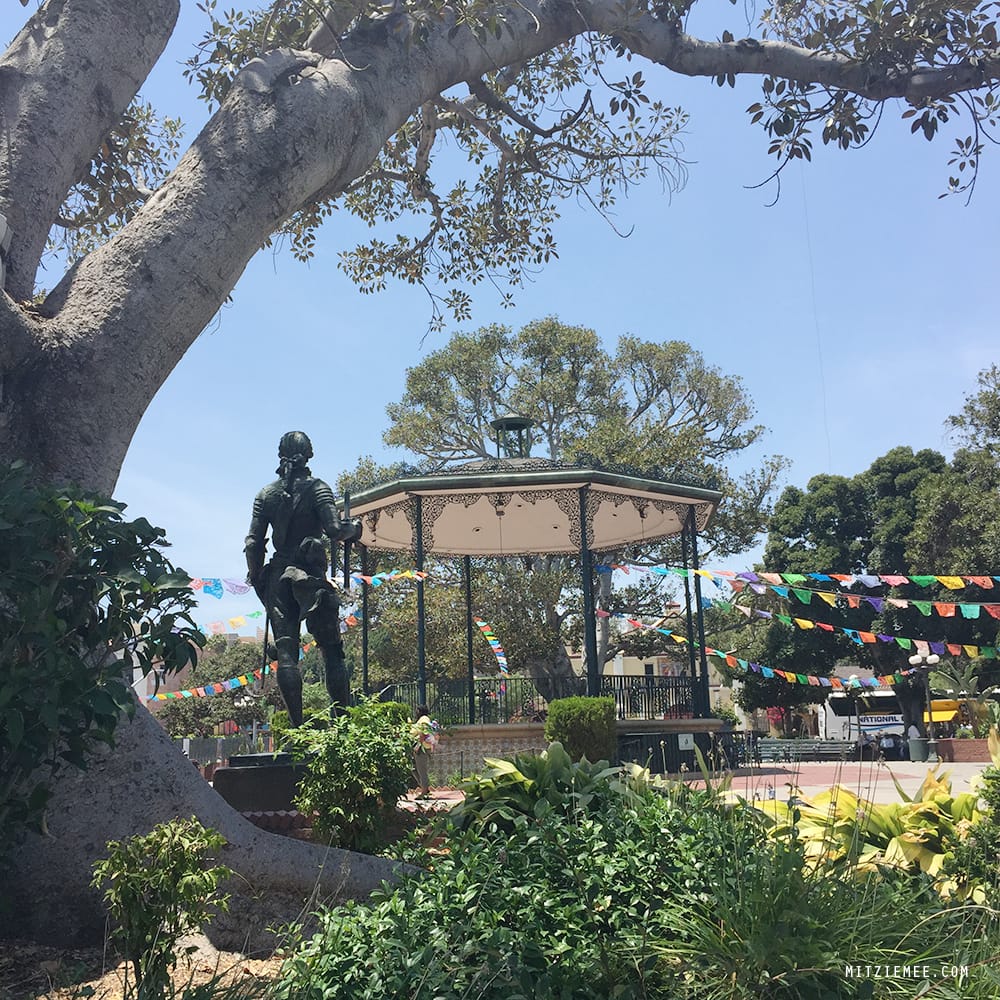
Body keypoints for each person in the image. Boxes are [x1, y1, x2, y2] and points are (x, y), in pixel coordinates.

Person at [244, 431, 361, 727]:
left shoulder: (265, 495)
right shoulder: (318, 489)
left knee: (286, 652)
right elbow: (335, 531)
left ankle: (298, 731)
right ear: (308, 455)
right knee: (332, 649)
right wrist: (355, 529)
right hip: (310, 577)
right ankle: (343, 727)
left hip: (278, 578)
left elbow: (253, 544)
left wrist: (257, 575)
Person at [410, 703, 438, 797]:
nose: (416, 712)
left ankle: (424, 791)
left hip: (421, 748)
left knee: (421, 769)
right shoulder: (421, 720)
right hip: (418, 747)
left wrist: (418, 746)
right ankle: (424, 787)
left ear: (420, 711)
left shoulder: (424, 719)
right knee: (413, 768)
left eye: (417, 710)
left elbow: (423, 732)